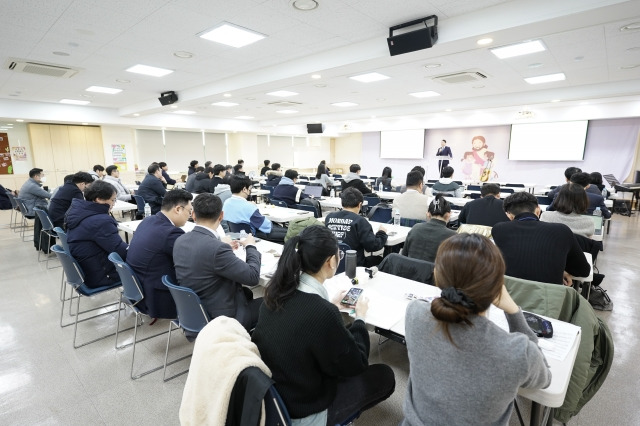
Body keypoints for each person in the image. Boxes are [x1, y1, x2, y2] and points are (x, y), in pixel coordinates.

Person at [401, 233, 551, 426]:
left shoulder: (415, 313)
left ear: (437, 275)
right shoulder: (518, 352)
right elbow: (544, 379)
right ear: (497, 287)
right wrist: (513, 311)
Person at [252, 225, 395, 425]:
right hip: (306, 413)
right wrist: (360, 319)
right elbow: (357, 363)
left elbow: (304, 327)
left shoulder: (275, 292)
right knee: (384, 375)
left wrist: (330, 307)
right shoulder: (322, 312)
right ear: (330, 261)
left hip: (276, 399)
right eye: (339, 254)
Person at [173, 193, 262, 330]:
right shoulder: (217, 249)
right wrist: (251, 246)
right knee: (275, 302)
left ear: (194, 215)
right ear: (221, 216)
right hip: (221, 318)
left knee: (247, 294)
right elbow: (253, 277)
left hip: (194, 311)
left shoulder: (180, 240)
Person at [493, 192, 590, 285]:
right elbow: (583, 271)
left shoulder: (499, 229)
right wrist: (560, 270)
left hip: (509, 296)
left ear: (509, 215)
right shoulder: (561, 230)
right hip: (550, 298)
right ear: (538, 210)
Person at [127, 190, 193, 319]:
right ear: (178, 209)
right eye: (189, 211)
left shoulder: (149, 220)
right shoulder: (170, 233)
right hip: (157, 297)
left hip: (139, 289)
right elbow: (194, 257)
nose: (189, 215)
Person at [66, 180, 127, 288]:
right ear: (99, 199)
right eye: (112, 200)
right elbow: (120, 251)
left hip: (88, 271)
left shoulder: (78, 211)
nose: (113, 204)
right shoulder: (100, 221)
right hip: (103, 276)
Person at [325, 187, 387, 266]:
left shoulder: (329, 217)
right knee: (380, 259)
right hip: (354, 265)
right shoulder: (360, 221)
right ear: (360, 204)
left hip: (332, 263)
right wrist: (382, 233)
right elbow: (372, 246)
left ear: (342, 203)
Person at [223, 175, 287, 243]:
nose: (250, 190)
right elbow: (266, 226)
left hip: (236, 236)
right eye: (250, 188)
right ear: (244, 189)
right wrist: (255, 208)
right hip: (254, 236)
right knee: (289, 233)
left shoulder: (226, 203)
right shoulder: (250, 207)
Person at [402, 194, 456, 263]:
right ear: (448, 215)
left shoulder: (416, 228)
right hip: (434, 273)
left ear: (428, 214)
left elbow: (403, 256)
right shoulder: (453, 237)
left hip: (409, 271)